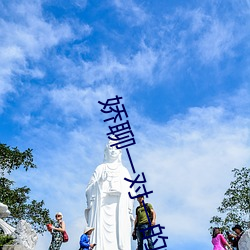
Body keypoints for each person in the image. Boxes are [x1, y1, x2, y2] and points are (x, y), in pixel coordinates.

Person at [85, 139, 134, 250]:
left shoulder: (124, 171)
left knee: (119, 237)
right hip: (101, 208)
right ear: (106, 150)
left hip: (118, 209)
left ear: (120, 152)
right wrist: (99, 182)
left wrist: (123, 192)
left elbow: (132, 193)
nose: (113, 150)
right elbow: (88, 190)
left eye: (116, 148)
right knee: (99, 237)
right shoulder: (100, 169)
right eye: (111, 147)